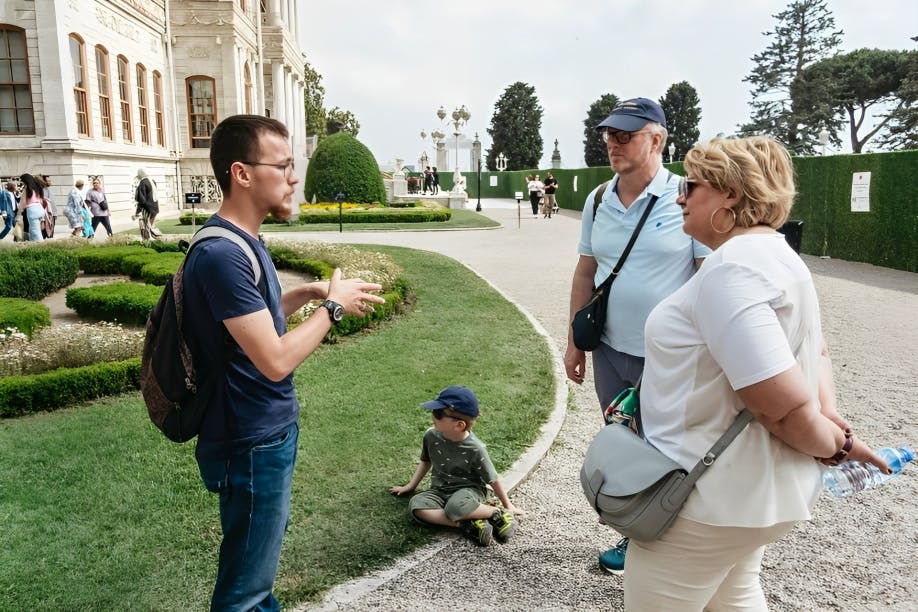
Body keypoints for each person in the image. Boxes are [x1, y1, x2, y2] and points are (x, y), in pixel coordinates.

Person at [624, 135, 888, 610]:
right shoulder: (779, 255)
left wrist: (839, 446)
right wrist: (829, 413)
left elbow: (781, 408)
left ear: (730, 193)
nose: (679, 196)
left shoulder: (734, 267)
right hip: (744, 492)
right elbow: (815, 348)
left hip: (708, 495)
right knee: (734, 596)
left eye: (691, 185)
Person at [184, 114, 385, 611]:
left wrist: (310, 292)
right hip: (248, 440)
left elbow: (256, 324)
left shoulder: (244, 241)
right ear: (242, 174)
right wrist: (331, 307)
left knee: (256, 575)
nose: (295, 177)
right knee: (244, 592)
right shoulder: (221, 255)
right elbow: (274, 359)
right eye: (284, 165)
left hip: (263, 432)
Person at [564, 97, 711, 574]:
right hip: (609, 349)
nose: (613, 143)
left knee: (669, 448)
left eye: (625, 134)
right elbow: (585, 273)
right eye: (609, 134)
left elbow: (709, 277)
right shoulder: (597, 199)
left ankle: (674, 540)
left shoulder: (686, 196)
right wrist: (574, 342)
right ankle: (635, 534)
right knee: (625, 444)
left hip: (667, 357)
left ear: (657, 139)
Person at [389, 385, 525, 546]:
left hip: (468, 492)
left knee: (455, 506)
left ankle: (496, 514)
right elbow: (426, 461)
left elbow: (493, 479)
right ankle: (468, 524)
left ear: (459, 425)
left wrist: (507, 505)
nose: (433, 415)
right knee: (417, 506)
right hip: (440, 490)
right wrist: (410, 486)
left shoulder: (475, 448)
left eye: (438, 413)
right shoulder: (431, 436)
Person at [133, 169, 161, 239]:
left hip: (147, 208)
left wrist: (138, 211)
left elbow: (142, 199)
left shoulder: (143, 183)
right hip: (155, 207)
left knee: (145, 226)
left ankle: (147, 240)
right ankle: (151, 238)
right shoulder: (152, 181)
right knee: (150, 225)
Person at [19, 173, 46, 242]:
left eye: (22, 181)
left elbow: (23, 202)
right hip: (40, 209)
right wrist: (43, 219)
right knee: (31, 231)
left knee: (35, 232)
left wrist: (19, 212)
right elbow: (41, 200)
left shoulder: (27, 188)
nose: (21, 182)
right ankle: (32, 245)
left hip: (32, 210)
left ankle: (42, 248)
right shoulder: (37, 187)